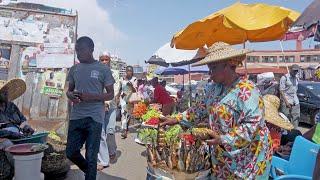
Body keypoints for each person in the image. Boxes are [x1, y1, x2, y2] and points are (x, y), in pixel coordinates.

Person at [161, 42, 272, 179]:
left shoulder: (247, 90)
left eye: (213, 67)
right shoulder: (214, 88)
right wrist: (176, 118)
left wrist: (224, 139)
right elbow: (198, 110)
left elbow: (252, 126)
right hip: (222, 155)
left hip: (248, 159)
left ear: (228, 65)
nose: (210, 73)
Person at [66, 37, 115, 180]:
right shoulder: (74, 69)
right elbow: (69, 91)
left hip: (95, 117)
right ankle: (90, 170)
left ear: (91, 49)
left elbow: (110, 94)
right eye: (77, 50)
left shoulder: (103, 69)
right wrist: (71, 96)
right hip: (76, 116)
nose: (79, 53)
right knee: (71, 152)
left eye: (82, 50)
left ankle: (91, 173)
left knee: (91, 155)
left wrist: (91, 97)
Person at [0, 79, 33, 166]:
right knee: (9, 146)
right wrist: (10, 133)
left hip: (18, 134)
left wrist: (26, 127)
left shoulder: (12, 106)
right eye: (3, 92)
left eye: (6, 92)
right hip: (4, 138)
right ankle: (19, 169)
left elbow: (22, 120)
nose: (6, 94)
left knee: (34, 144)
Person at [97, 52, 119, 171]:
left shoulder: (114, 73)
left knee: (110, 131)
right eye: (102, 59)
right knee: (101, 133)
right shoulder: (96, 72)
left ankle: (112, 150)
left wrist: (107, 102)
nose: (104, 61)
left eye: (106, 59)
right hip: (99, 107)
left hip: (111, 107)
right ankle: (103, 160)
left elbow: (115, 89)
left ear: (110, 60)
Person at [279, 64, 301, 129]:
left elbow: (295, 90)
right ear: (290, 69)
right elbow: (281, 91)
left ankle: (294, 132)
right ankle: (284, 134)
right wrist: (286, 102)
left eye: (297, 71)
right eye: (294, 71)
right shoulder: (284, 78)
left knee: (296, 117)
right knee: (285, 118)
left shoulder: (297, 78)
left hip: (295, 101)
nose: (295, 72)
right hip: (286, 101)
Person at [118, 66, 137, 139]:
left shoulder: (134, 79)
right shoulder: (122, 79)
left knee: (128, 115)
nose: (129, 72)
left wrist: (131, 85)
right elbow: (119, 88)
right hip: (123, 98)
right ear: (126, 71)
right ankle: (124, 130)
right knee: (123, 113)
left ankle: (126, 128)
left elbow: (135, 90)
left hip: (130, 99)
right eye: (128, 71)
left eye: (130, 71)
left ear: (132, 72)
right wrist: (117, 97)